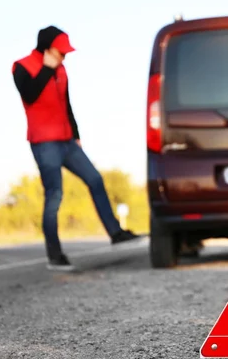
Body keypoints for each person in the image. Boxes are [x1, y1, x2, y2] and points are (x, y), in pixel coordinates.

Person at [12, 25, 140, 271]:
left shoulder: (62, 69)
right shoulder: (22, 66)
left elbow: (66, 104)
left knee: (95, 179)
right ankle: (55, 255)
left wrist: (77, 134)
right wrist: (48, 68)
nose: (64, 56)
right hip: (44, 142)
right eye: (61, 52)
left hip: (68, 141)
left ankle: (116, 232)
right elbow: (29, 95)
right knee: (54, 196)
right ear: (47, 48)